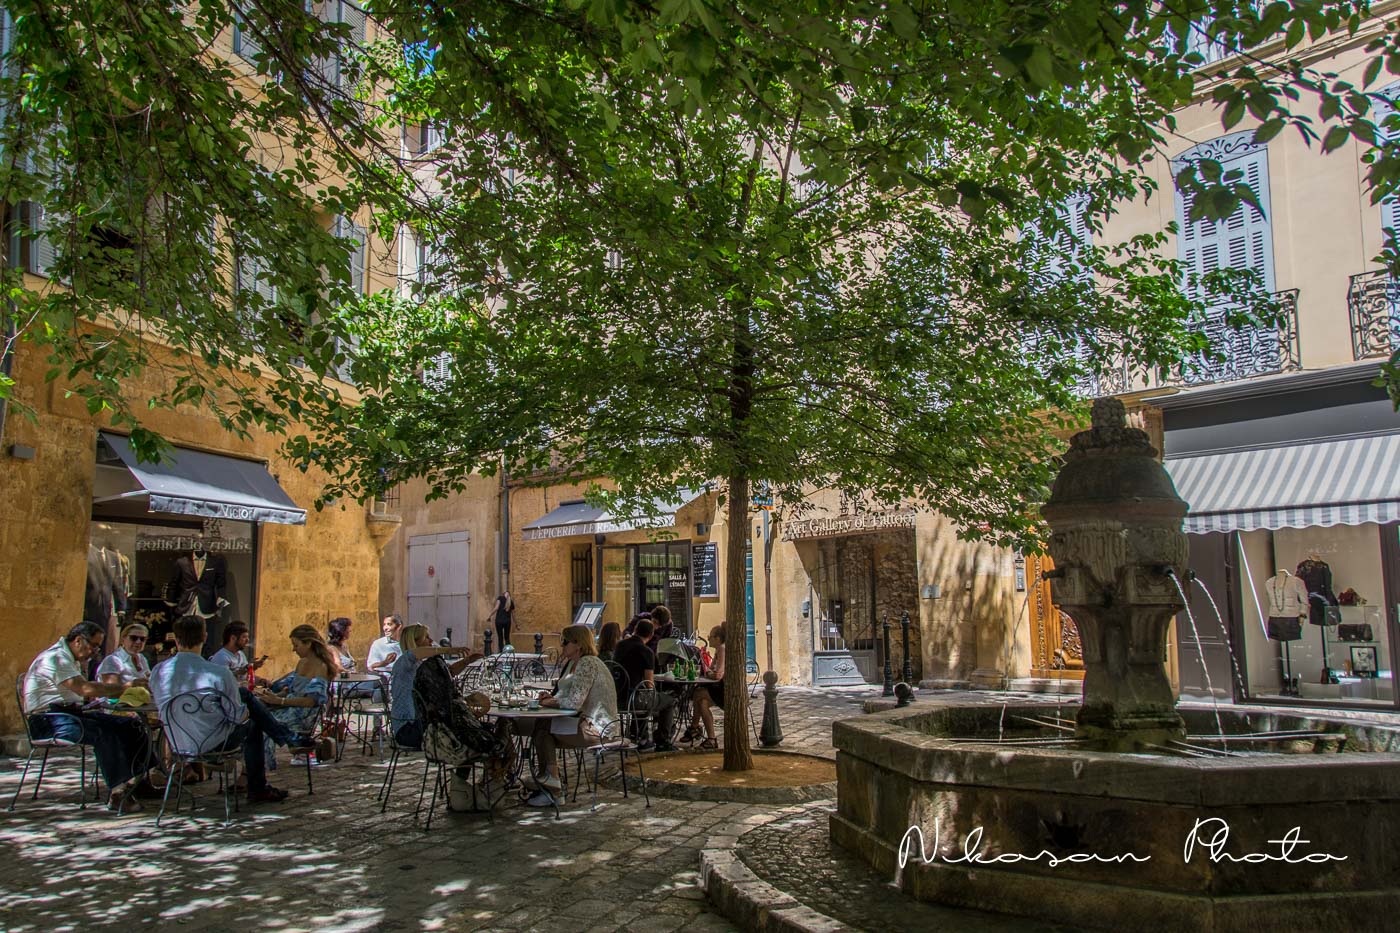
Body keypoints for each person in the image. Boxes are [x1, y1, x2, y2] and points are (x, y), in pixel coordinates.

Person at [149, 615, 313, 804]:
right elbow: (237, 716)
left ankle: (285, 738)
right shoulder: (218, 673)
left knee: (244, 694)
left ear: (176, 640)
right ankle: (261, 781)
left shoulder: (158, 671)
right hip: (214, 743)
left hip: (178, 741)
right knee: (252, 722)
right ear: (204, 637)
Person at [22, 621, 153, 811]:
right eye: (93, 645)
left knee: (132, 725)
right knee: (104, 732)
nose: (95, 651)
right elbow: (84, 688)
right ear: (78, 641)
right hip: (48, 719)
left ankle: (138, 781)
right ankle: (118, 792)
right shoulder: (56, 658)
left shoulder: (71, 659)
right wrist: (125, 688)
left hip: (68, 713)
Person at [524, 624, 617, 807]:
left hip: (598, 728)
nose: (562, 646)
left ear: (578, 643)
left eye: (565, 642)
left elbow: (575, 702)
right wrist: (551, 698)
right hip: (582, 722)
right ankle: (551, 784)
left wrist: (552, 702)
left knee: (543, 728)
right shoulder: (573, 664)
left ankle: (552, 785)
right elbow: (565, 694)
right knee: (542, 729)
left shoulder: (588, 663)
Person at [389, 623, 481, 748]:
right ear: (414, 641)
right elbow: (413, 653)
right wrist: (448, 650)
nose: (431, 640)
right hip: (408, 729)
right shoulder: (404, 663)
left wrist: (467, 661)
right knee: (463, 735)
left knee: (469, 730)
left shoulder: (421, 665)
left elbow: (450, 672)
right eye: (426, 637)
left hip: (420, 725)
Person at [254, 624, 336, 765]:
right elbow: (289, 689)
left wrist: (280, 702)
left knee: (263, 724)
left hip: (304, 714)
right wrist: (274, 696)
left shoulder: (321, 667)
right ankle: (255, 768)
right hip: (290, 707)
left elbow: (311, 701)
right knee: (255, 717)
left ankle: (258, 769)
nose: (294, 649)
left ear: (308, 644)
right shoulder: (302, 663)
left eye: (296, 645)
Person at [613, 618, 676, 752]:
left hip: (617, 697)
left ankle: (639, 736)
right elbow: (649, 684)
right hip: (635, 700)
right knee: (668, 701)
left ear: (635, 630)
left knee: (645, 696)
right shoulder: (646, 652)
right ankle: (662, 741)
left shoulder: (619, 646)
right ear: (651, 635)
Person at [690, 624, 726, 749]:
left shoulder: (722, 648)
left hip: (725, 691)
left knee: (697, 694)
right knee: (703, 703)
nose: (708, 639)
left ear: (717, 638)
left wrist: (709, 673)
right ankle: (711, 739)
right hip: (719, 688)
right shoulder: (718, 650)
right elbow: (710, 671)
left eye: (710, 637)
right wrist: (709, 673)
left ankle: (693, 728)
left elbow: (717, 675)